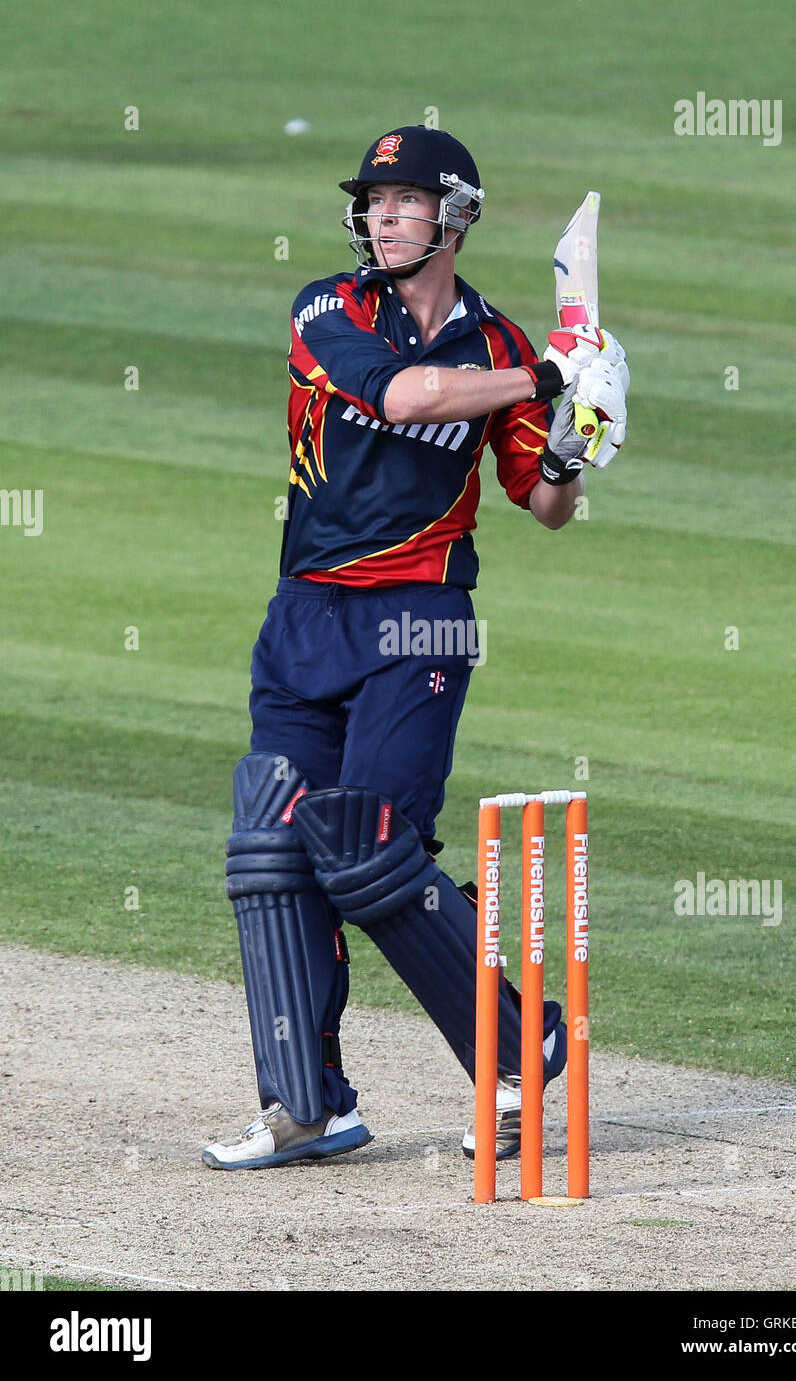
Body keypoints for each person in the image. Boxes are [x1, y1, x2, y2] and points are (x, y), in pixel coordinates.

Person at [202, 126, 629, 1171]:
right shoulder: (327, 310)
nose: (383, 218)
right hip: (305, 611)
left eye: (405, 201)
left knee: (365, 837)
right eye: (373, 201)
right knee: (270, 844)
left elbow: (542, 503)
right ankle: (306, 1106)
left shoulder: (498, 344)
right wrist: (547, 374)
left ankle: (517, 1045)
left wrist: (576, 440)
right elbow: (402, 397)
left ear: (456, 217)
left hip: (421, 615)